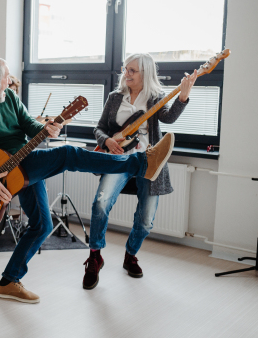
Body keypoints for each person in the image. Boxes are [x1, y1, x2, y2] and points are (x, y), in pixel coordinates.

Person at [0, 55, 175, 304]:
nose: (11, 81)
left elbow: (30, 127)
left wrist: (48, 129)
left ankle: (8, 281)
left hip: (25, 163)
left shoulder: (8, 97)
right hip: (3, 175)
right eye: (7, 77)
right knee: (68, 154)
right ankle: (141, 163)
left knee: (42, 225)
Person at [82, 53, 196, 290]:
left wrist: (183, 96)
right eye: (126, 69)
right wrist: (107, 142)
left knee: (145, 220)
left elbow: (170, 119)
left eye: (132, 70)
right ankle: (95, 256)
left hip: (148, 162)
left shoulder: (155, 98)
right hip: (119, 159)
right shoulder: (115, 98)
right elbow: (100, 128)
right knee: (100, 204)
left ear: (146, 73)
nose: (127, 74)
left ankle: (130, 254)